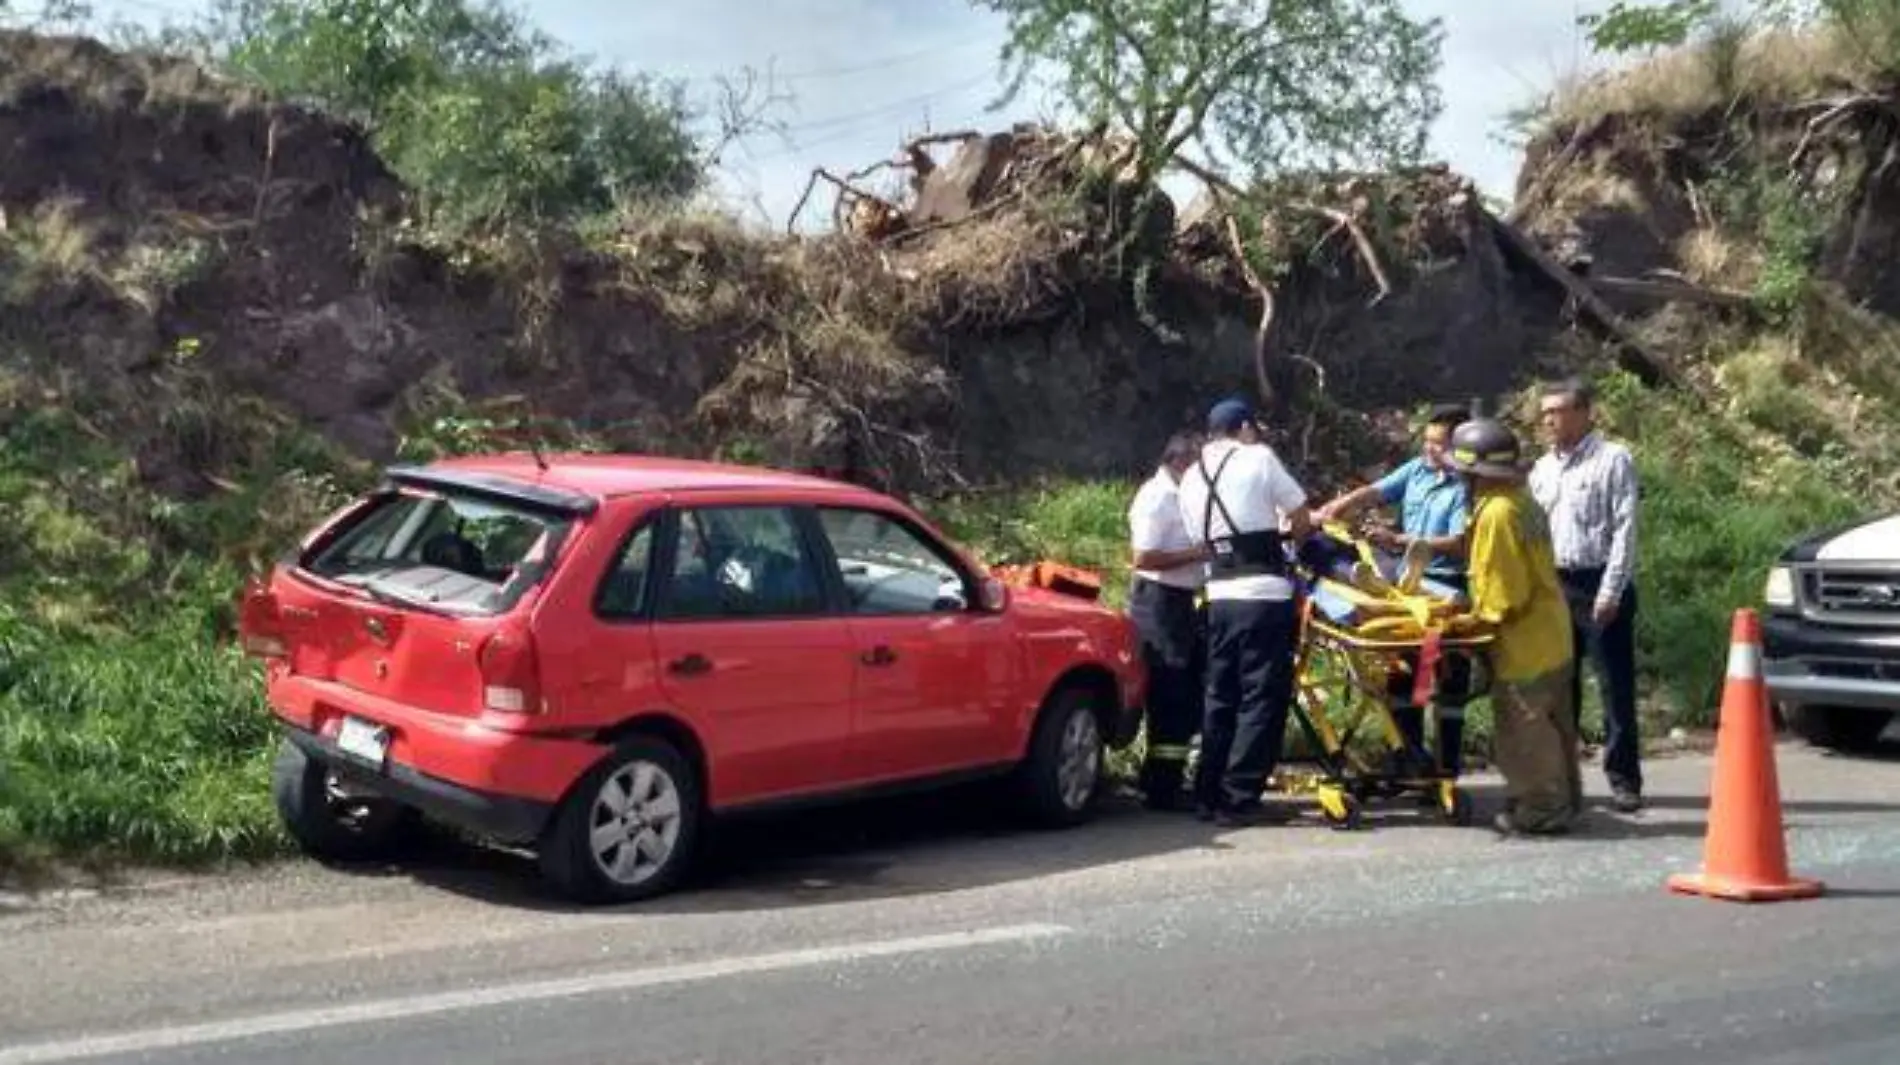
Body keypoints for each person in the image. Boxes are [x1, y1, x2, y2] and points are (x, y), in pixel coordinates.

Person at [1312, 402, 1474, 781]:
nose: (1430, 450)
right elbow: (1374, 493)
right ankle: (1409, 758)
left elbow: (1460, 542)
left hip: (1446, 585)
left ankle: (1446, 765)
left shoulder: (1468, 487)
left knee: (1449, 686)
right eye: (1428, 442)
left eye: (1439, 444)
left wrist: (1400, 539)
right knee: (1405, 681)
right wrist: (1334, 508)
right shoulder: (1417, 471)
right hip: (1408, 590)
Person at [1175, 397, 1314, 826]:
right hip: (1264, 593)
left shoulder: (1190, 475)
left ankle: (1207, 791)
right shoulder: (1258, 457)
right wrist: (1297, 541)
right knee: (1261, 695)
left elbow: (1198, 537)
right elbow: (1299, 511)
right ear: (1246, 428)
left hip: (1218, 594)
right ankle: (1240, 796)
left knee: (1220, 694)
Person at [1445, 417, 1582, 836]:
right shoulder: (1521, 500)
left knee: (1525, 730)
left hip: (1524, 644)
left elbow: (1504, 595)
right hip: (1551, 634)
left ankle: (1540, 810)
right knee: (1556, 726)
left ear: (1471, 473)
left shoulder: (1498, 514)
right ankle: (1563, 800)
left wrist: (1462, 625)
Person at [1528, 377, 1643, 814]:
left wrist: (1611, 589)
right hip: (1556, 585)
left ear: (1582, 413)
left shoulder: (1613, 460)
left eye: (1556, 412)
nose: (1548, 421)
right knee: (1562, 686)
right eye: (1545, 414)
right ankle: (1564, 778)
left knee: (1614, 685)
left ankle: (1623, 778)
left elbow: (1625, 530)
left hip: (1599, 582)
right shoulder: (1543, 468)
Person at [1126, 431, 1212, 811]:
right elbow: (1143, 557)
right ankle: (1160, 787)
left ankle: (1168, 777)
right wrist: (1198, 553)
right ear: (1181, 463)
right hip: (1158, 602)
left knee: (1187, 690)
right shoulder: (1157, 497)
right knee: (1169, 692)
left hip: (1182, 600)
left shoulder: (1183, 496)